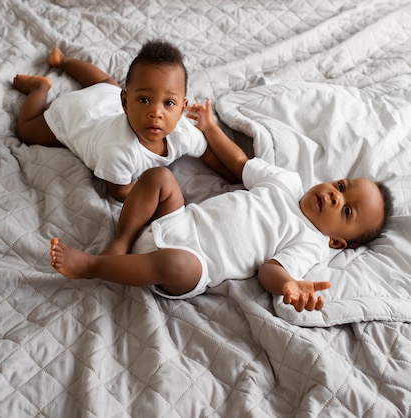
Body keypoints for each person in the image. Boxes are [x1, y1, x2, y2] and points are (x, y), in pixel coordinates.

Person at [49, 99, 393, 312]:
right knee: (159, 178)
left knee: (175, 264)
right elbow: (240, 163)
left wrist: (289, 285)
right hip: (178, 220)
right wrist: (211, 128)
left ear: (336, 241)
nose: (336, 196)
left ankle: (93, 266)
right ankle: (120, 242)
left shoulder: (311, 241)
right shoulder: (287, 183)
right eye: (342, 186)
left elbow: (271, 271)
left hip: (197, 264)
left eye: (346, 210)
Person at [13, 40, 236, 202]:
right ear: (126, 102)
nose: (156, 112)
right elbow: (120, 191)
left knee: (105, 82)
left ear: (182, 109)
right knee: (26, 130)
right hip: (78, 116)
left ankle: (64, 60)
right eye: (144, 99)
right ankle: (40, 87)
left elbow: (208, 153)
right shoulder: (118, 151)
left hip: (107, 98)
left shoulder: (184, 132)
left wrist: (235, 180)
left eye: (168, 103)